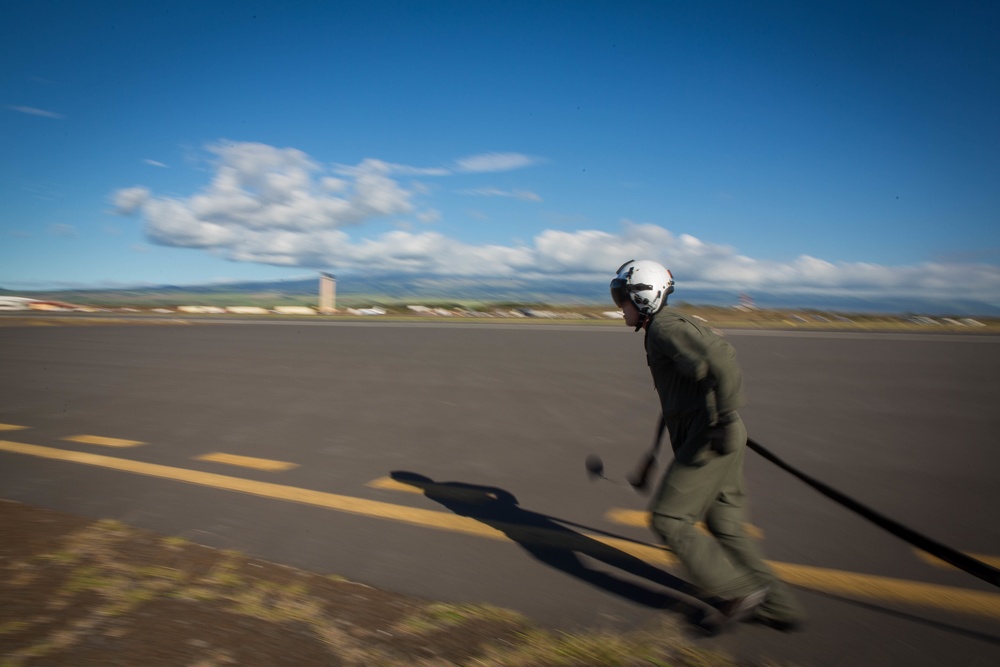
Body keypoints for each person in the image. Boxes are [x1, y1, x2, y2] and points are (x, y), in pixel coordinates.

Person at [610, 259, 805, 634]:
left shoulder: (665, 327)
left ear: (644, 297)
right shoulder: (662, 329)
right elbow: (681, 395)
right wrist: (652, 456)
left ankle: (741, 592)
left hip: (710, 436)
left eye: (623, 298)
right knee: (725, 524)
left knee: (669, 520)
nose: (621, 306)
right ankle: (781, 608)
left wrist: (723, 418)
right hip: (712, 431)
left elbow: (723, 359)